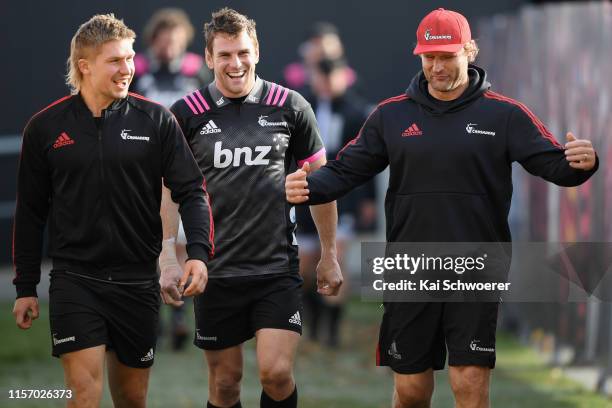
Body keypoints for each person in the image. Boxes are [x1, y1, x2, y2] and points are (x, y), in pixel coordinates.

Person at [285, 8, 598, 408]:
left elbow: (556, 165)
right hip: (410, 266)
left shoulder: (504, 114)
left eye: (447, 56)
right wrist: (305, 185)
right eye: (428, 58)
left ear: (469, 51)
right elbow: (346, 171)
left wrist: (582, 163)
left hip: (476, 265)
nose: (437, 67)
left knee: (469, 384)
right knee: (412, 391)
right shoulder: (390, 115)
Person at [12, 14, 212, 408]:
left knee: (131, 400)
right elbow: (31, 212)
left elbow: (192, 190)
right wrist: (25, 287)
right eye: (116, 61)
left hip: (137, 282)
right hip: (75, 280)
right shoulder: (45, 128)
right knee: (84, 397)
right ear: (85, 66)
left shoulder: (156, 120)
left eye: (130, 58)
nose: (128, 69)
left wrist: (200, 255)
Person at [159, 8, 342, 408]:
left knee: (276, 374)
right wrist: (168, 254)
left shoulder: (291, 106)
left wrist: (329, 255)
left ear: (256, 51)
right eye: (224, 55)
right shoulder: (186, 115)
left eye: (242, 52)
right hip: (214, 271)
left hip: (276, 269)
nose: (235, 63)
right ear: (208, 58)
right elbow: (169, 190)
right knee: (225, 383)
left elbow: (322, 185)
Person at [131, 7, 213, 351]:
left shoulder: (197, 72)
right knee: (153, 240)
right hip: (147, 168)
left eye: (175, 40)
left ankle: (179, 316)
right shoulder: (139, 73)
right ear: (153, 41)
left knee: (180, 240)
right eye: (163, 40)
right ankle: (156, 313)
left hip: (185, 167)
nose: (169, 46)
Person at [296, 56, 376, 348]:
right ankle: (313, 323)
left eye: (333, 75)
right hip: (307, 194)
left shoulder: (357, 112)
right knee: (305, 265)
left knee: (335, 258)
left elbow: (367, 159)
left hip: (345, 197)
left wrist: (367, 199)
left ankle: (332, 331)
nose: (327, 82)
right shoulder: (303, 107)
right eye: (322, 75)